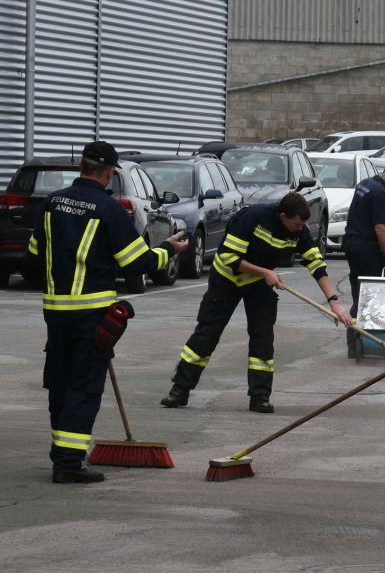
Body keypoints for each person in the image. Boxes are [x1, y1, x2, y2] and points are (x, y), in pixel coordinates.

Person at [28, 141, 188, 484]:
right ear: (110, 173)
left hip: (55, 312)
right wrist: (167, 250)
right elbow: (135, 264)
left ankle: (61, 453)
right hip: (92, 314)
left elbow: (33, 250)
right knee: (84, 387)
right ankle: (70, 464)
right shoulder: (109, 209)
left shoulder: (52, 202)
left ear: (80, 168)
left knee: (60, 382)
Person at [161, 191, 352, 413]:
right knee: (208, 332)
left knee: (263, 335)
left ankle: (260, 397)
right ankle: (180, 390)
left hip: (259, 281)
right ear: (283, 216)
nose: (301, 229)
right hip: (227, 277)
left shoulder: (299, 232)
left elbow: (316, 265)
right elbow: (228, 257)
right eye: (298, 224)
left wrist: (333, 302)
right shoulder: (253, 218)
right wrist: (265, 272)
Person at [341, 157, 385, 355]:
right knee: (368, 297)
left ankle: (356, 343)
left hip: (352, 244)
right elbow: (380, 228)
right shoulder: (380, 193)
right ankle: (360, 344)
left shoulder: (365, 184)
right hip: (366, 248)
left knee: (358, 292)